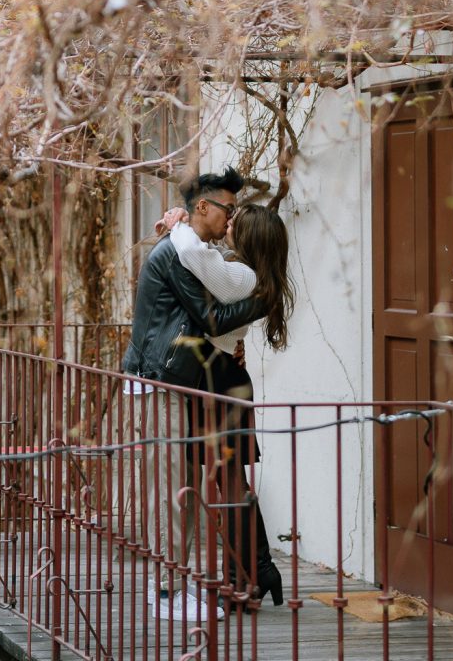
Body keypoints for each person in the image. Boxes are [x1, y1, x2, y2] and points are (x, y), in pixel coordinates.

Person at [122, 166, 267, 622]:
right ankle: (167, 593)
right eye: (228, 209)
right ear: (202, 207)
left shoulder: (195, 251)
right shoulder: (174, 255)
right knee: (168, 490)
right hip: (157, 380)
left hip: (174, 382)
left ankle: (172, 585)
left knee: (179, 488)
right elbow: (211, 319)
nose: (232, 219)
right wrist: (264, 300)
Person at [158, 200, 294, 609]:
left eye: (237, 222)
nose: (229, 222)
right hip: (223, 379)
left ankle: (245, 578)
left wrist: (179, 223)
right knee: (230, 482)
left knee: (229, 484)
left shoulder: (240, 275)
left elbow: (195, 257)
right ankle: (254, 572)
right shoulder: (242, 272)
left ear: (250, 238)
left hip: (222, 383)